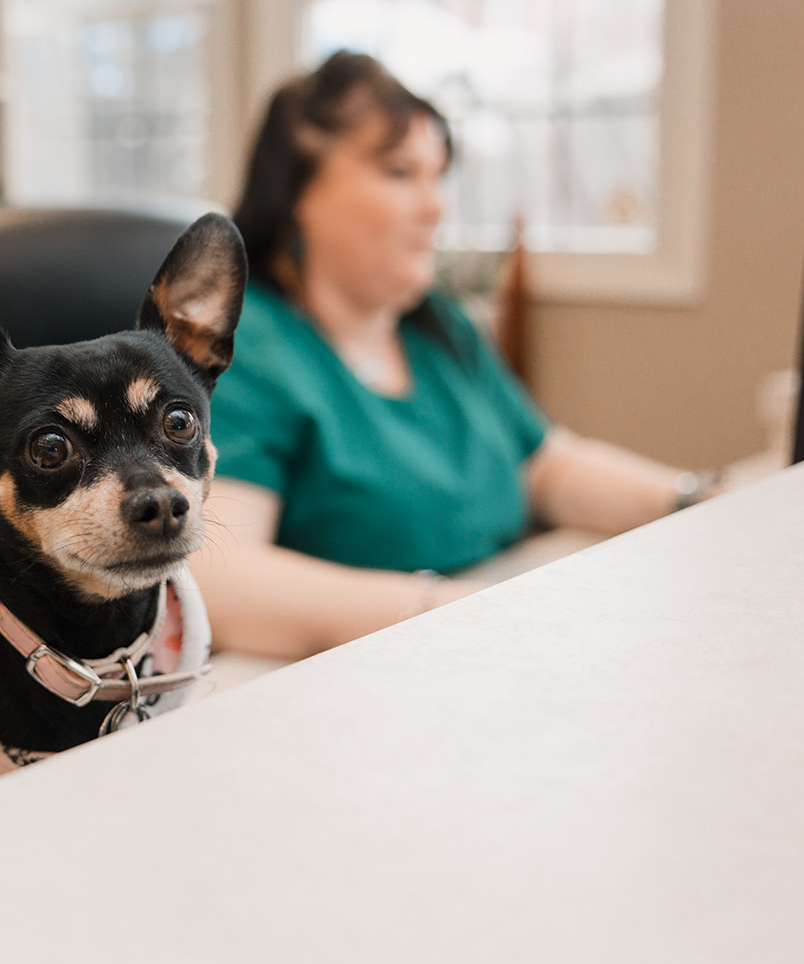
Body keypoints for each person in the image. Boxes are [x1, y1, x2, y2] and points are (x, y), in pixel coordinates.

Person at [192, 50, 715, 661]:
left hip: (486, 638)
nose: (435, 205)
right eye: (399, 173)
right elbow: (218, 578)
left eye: (437, 176)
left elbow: (549, 466)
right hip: (367, 667)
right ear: (298, 192)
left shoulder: (438, 325)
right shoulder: (240, 350)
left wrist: (696, 502)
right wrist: (445, 612)